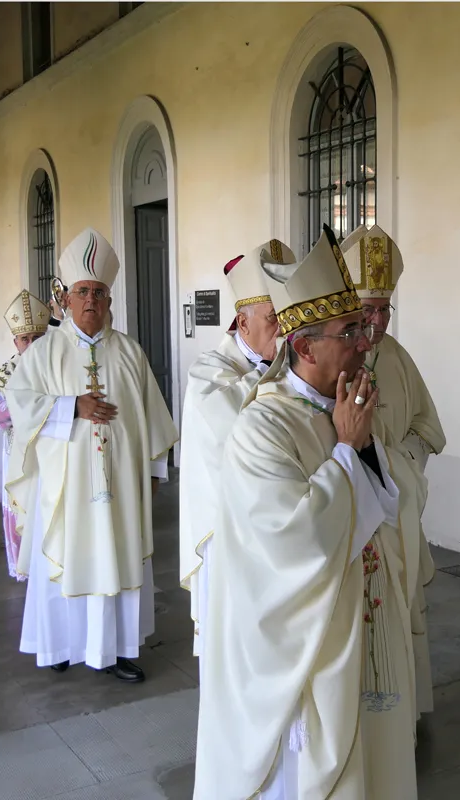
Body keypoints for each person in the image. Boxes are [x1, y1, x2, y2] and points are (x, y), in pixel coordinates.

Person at [196, 226, 417, 799]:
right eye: (349, 332)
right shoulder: (263, 427)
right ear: (305, 345)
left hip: (358, 621)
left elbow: (386, 506)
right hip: (301, 646)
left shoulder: (347, 403)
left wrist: (360, 446)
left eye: (364, 327)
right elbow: (291, 542)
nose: (365, 341)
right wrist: (347, 449)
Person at [4, 228, 178, 682]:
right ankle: (60, 644)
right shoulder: (44, 352)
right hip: (64, 488)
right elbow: (19, 404)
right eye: (82, 291)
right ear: (65, 298)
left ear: (109, 298)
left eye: (99, 292)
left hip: (121, 487)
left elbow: (152, 418)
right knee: (66, 555)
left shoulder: (130, 353)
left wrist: (155, 472)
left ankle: (116, 650)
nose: (91, 301)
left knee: (117, 557)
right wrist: (71, 407)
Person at [342, 224, 446, 719]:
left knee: (403, 608)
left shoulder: (399, 359)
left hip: (398, 510)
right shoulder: (334, 359)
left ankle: (406, 713)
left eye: (384, 310)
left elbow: (428, 427)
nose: (377, 322)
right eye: (366, 310)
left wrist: (398, 463)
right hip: (352, 516)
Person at [178, 239, 294, 653]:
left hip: (277, 518)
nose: (284, 328)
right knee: (230, 639)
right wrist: (280, 370)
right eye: (273, 318)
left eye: (287, 316)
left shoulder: (289, 366)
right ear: (242, 324)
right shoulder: (210, 369)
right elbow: (229, 421)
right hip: (225, 527)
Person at [0, 290, 52, 581]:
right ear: (16, 342)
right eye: (25, 339)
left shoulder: (58, 367)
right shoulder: (4, 373)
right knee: (22, 502)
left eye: (38, 337)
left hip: (51, 448)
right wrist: (28, 408)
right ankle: (25, 566)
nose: (32, 344)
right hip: (18, 451)